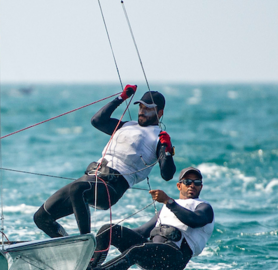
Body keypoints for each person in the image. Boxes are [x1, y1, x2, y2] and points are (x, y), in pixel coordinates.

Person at [33, 84, 176, 238]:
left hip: (113, 186)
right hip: (91, 177)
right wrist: (121, 98)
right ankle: (67, 247)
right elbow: (97, 120)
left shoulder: (159, 138)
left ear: (159, 112)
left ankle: (85, 241)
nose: (142, 112)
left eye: (148, 108)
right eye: (141, 107)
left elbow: (167, 174)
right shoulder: (126, 125)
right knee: (41, 218)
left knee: (77, 189)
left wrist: (167, 150)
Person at [75, 166, 215, 270]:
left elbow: (194, 220)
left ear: (201, 187)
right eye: (187, 181)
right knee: (109, 230)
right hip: (151, 252)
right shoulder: (167, 208)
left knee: (136, 251)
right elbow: (142, 232)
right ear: (179, 185)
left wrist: (168, 201)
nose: (192, 185)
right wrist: (110, 237)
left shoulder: (204, 207)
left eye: (197, 182)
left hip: (174, 258)